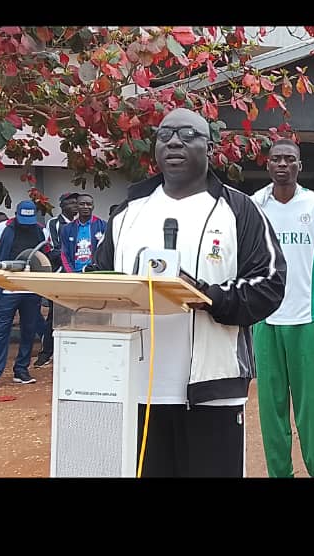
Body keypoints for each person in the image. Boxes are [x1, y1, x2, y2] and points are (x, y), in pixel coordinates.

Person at [90, 107, 286, 477]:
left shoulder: (238, 209)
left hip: (212, 390)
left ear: (209, 148)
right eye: (165, 135)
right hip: (136, 387)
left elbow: (270, 283)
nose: (174, 142)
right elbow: (99, 277)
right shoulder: (128, 211)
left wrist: (209, 297)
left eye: (187, 134)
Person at [251, 139, 314, 477]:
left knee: (312, 410)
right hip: (266, 322)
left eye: (289, 159)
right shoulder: (255, 205)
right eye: (276, 159)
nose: (282, 164)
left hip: (307, 321)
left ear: (299, 166)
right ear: (268, 164)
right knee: (271, 411)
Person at [0, 200, 51, 392]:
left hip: (31, 288)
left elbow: (45, 255)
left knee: (28, 330)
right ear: (16, 214)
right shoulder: (2, 228)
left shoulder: (41, 230)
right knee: (0, 331)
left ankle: (21, 370)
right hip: (7, 288)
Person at [37, 192, 80, 368]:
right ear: (62, 206)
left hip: (79, 276)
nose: (75, 205)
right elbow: (54, 249)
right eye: (70, 202)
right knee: (55, 316)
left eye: (76, 202)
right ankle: (46, 353)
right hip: (60, 274)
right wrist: (70, 258)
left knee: (79, 315)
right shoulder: (54, 224)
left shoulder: (82, 223)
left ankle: (72, 352)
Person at [58, 193, 106, 273]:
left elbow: (105, 253)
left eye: (89, 204)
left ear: (93, 207)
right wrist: (71, 273)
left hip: (96, 273)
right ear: (76, 206)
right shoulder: (67, 229)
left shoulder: (103, 226)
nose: (85, 207)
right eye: (82, 204)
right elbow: (64, 254)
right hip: (74, 274)